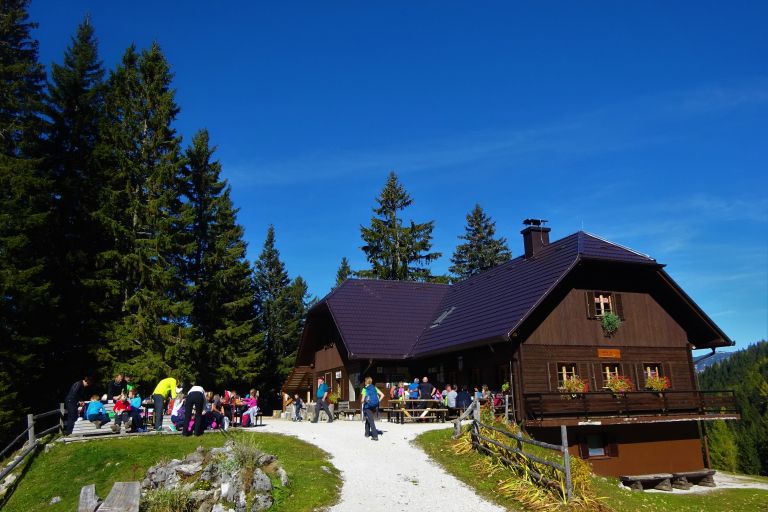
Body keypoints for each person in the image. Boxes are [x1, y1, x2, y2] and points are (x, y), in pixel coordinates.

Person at [361, 376, 384, 441]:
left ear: (366, 382)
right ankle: (367, 433)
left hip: (367, 407)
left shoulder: (364, 389)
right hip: (374, 407)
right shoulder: (374, 387)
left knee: (370, 420)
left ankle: (375, 436)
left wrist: (364, 401)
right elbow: (382, 395)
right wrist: (378, 401)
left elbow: (362, 400)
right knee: (368, 418)